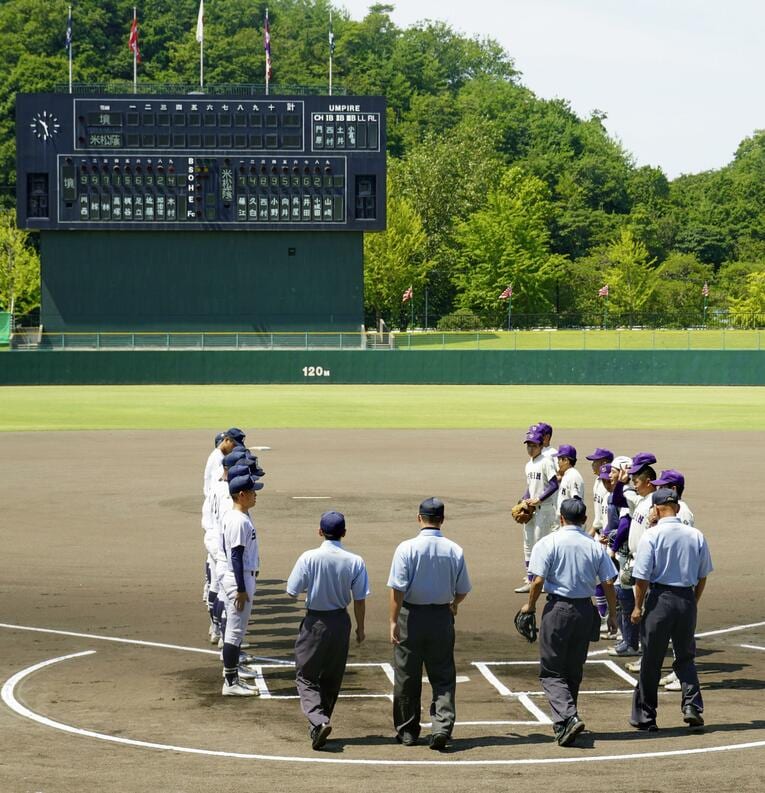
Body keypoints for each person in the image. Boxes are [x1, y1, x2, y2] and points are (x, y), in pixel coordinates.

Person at [521, 498, 618, 747]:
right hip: (586, 611)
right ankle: (565, 723)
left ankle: (567, 716)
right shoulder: (594, 546)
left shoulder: (549, 542)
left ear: (561, 518)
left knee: (552, 671)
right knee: (573, 670)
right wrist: (613, 616)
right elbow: (608, 582)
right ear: (584, 520)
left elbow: (538, 581)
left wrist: (530, 606)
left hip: (558, 610)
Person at [388, 497, 472, 751]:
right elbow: (463, 589)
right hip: (441, 617)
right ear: (442, 520)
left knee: (406, 676)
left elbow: (397, 589)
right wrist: (454, 604)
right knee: (443, 675)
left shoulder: (406, 548)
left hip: (411, 616)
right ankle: (441, 727)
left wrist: (393, 620)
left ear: (419, 518)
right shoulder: (454, 549)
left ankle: (407, 732)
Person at [629, 488, 713, 732]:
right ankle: (692, 707)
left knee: (652, 660)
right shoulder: (696, 534)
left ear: (655, 509)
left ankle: (646, 716)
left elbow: (642, 578)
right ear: (676, 507)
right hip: (686, 599)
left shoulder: (652, 535)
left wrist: (637, 606)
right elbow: (703, 575)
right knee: (685, 656)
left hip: (660, 600)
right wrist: (692, 601)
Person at [286, 511, 370, 751]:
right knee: (332, 677)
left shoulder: (309, 557)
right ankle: (318, 725)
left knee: (306, 674)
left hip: (315, 622)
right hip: (340, 622)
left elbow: (292, 591)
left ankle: (319, 720)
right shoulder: (355, 560)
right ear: (344, 533)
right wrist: (360, 628)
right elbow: (360, 599)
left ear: (320, 531)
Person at [220, 471, 263, 696]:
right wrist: (241, 589)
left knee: (234, 631)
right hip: (240, 578)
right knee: (235, 632)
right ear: (242, 494)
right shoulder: (237, 521)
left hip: (241, 576)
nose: (256, 495)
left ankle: (232, 676)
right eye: (253, 492)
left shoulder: (238, 516)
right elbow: (236, 555)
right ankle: (231, 682)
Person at [515, 429, 559, 594]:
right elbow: (530, 487)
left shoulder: (546, 462)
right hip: (532, 509)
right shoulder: (529, 464)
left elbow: (554, 484)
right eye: (528, 445)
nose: (530, 449)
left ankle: (544, 580)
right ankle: (531, 579)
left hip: (545, 509)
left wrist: (539, 499)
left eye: (533, 445)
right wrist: (523, 499)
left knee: (540, 545)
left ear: (541, 445)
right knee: (528, 544)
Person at [556, 444, 585, 517]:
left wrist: (569, 522)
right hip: (565, 520)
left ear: (566, 460)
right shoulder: (567, 475)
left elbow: (577, 503)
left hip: (570, 521)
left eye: (559, 459)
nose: (557, 462)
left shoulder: (574, 476)